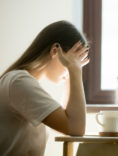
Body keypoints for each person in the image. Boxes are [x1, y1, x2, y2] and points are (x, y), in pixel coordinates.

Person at [0, 20, 90, 156]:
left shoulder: (20, 81)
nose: (72, 67)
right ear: (55, 51)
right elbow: (75, 128)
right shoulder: (19, 82)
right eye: (73, 60)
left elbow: (68, 126)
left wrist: (72, 73)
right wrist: (74, 70)